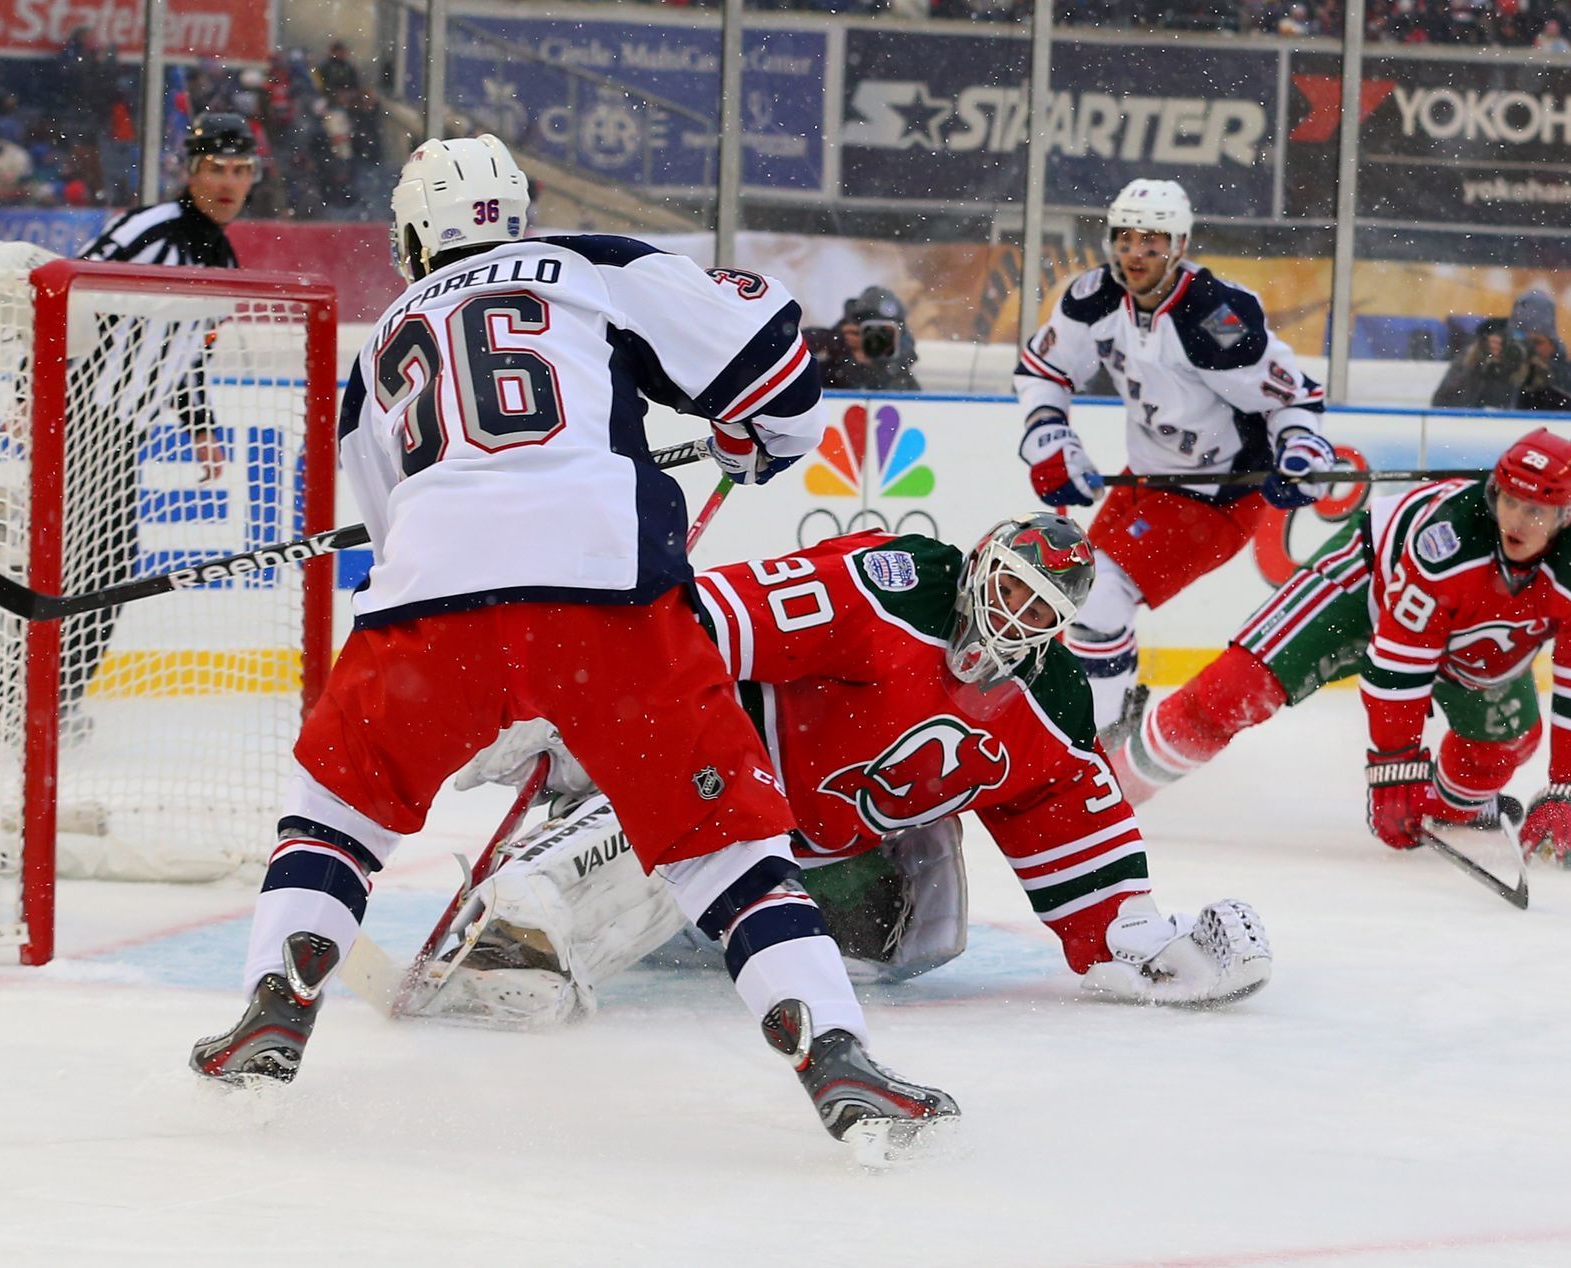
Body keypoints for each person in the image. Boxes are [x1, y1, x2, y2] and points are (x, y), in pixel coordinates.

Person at [189, 135, 958, 1161]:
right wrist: (757, 440)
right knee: (722, 846)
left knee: (336, 805)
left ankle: (275, 999)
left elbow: (390, 517)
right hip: (605, 599)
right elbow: (769, 352)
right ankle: (833, 1048)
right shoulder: (593, 264)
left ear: (414, 235)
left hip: (430, 609)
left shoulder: (380, 348)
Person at [412, 513, 1272, 1027]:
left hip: (823, 844)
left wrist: (1131, 935)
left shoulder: (1047, 701)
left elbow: (1068, 815)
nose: (1011, 619)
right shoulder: (891, 589)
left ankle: (672, 915)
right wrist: (569, 690)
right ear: (979, 565)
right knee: (716, 800)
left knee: (919, 938)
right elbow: (717, 616)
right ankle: (537, 906)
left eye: (1037, 611)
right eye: (1008, 589)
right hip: (718, 760)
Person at [1108, 428, 1571, 869]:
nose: (1515, 520)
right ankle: (1111, 789)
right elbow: (1399, 664)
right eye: (1509, 500)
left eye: (1535, 509)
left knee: (1502, 744)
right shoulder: (1447, 539)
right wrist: (1393, 767)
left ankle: (1452, 806)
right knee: (1233, 690)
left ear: (1566, 515)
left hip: (1476, 635)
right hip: (1366, 585)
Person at [1014, 178, 1336, 740]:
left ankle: (1095, 745)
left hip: (1218, 496)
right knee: (1078, 595)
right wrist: (1049, 437)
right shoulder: (1093, 299)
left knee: (1097, 600)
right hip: (1146, 481)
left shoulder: (1215, 316)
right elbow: (1044, 370)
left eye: (1152, 240)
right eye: (1126, 238)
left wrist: (1301, 449)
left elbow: (1293, 397)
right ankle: (1110, 720)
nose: (1135, 253)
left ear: (1179, 244)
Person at [58, 113, 255, 725]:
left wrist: (199, 427)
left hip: (124, 434)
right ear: (190, 172)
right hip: (77, 418)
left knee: (107, 567)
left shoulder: (222, 259)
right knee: (77, 564)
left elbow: (187, 351)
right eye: (216, 169)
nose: (228, 183)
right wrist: (24, 396)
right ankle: (14, 700)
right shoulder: (150, 227)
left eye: (240, 171)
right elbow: (60, 298)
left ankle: (51, 699)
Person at [802, 285, 920, 391]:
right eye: (870, 330)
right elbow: (795, 346)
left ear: (898, 334)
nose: (876, 340)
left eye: (886, 333)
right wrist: (839, 346)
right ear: (855, 328)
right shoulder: (831, 362)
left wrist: (885, 366)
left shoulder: (902, 379)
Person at [1431, 317, 1523, 409]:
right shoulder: (1467, 361)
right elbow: (1441, 400)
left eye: (1501, 344)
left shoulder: (1520, 365)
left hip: (1506, 419)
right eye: (1493, 343)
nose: (1496, 348)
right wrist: (1480, 369)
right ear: (1483, 342)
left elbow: (1520, 404)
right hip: (1469, 417)